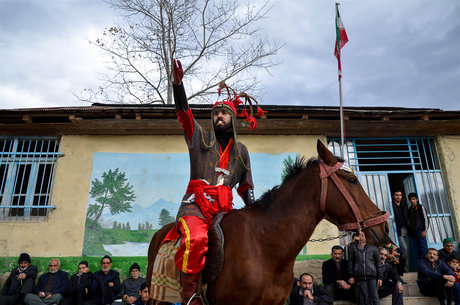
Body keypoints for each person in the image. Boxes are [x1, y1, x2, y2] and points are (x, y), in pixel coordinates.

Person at [162, 59, 255, 305]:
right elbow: (184, 114)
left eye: (223, 113)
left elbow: (246, 186)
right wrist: (178, 86)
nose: (219, 116)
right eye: (215, 113)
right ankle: (191, 296)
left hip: (224, 209)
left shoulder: (241, 151)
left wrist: (255, 210)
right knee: (198, 239)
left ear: (232, 118)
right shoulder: (199, 138)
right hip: (194, 206)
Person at [347, 231, 383, 305]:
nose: (362, 237)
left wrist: (380, 277)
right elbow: (350, 263)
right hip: (361, 277)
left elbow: (378, 263)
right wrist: (351, 276)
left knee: (374, 296)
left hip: (372, 276)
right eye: (360, 235)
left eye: (363, 235)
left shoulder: (373, 248)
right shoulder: (353, 248)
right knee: (365, 297)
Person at [391, 189, 409, 273]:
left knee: (407, 249)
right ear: (393, 196)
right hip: (397, 230)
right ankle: (402, 268)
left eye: (400, 195)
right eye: (397, 195)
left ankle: (406, 267)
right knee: (403, 249)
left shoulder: (404, 205)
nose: (398, 197)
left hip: (405, 229)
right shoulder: (391, 206)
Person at [407, 192, 429, 260]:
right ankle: (421, 265)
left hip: (420, 231)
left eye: (414, 199)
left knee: (423, 249)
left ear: (417, 199)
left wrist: (425, 230)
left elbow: (425, 219)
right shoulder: (410, 209)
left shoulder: (420, 207)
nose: (412, 201)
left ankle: (426, 265)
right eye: (410, 199)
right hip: (414, 232)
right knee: (417, 249)